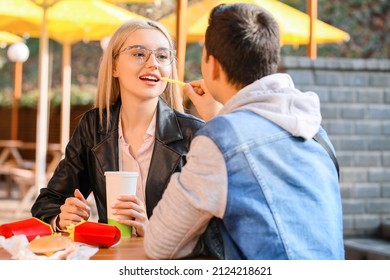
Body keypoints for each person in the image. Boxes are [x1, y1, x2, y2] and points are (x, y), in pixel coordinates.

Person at [144, 3, 344, 259]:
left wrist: (218, 130)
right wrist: (219, 117)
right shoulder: (317, 135)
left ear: (213, 65)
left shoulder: (220, 141)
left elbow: (160, 245)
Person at [31, 19, 204, 237]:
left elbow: (214, 225)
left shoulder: (195, 133)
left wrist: (154, 231)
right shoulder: (94, 127)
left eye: (162, 56)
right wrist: (61, 218)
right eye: (139, 54)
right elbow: (48, 202)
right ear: (114, 66)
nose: (153, 64)